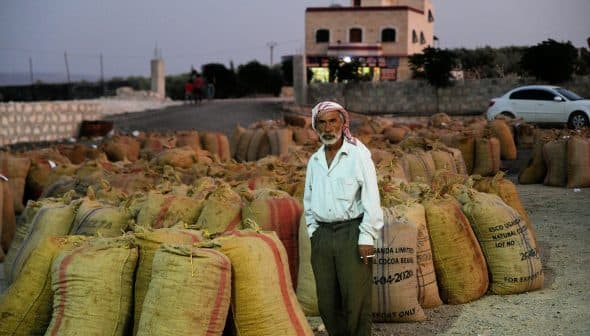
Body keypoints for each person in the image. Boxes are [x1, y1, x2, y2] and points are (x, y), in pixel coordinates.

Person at [303, 101, 384, 336]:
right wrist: (313, 231)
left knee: (355, 300)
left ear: (343, 123)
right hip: (323, 236)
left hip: (352, 233)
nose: (328, 128)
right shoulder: (315, 161)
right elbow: (308, 200)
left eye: (333, 121)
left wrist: (367, 236)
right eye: (322, 122)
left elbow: (371, 197)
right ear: (316, 126)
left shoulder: (358, 155)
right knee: (327, 302)